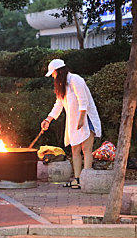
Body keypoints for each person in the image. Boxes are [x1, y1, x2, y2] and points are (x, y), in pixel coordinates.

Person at [41, 59, 102, 189]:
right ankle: (77, 179)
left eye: (53, 73)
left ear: (59, 71)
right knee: (75, 149)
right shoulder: (62, 85)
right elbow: (58, 105)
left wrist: (81, 119)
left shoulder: (75, 79)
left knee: (86, 149)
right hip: (74, 121)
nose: (52, 76)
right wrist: (48, 119)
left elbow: (83, 100)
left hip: (86, 119)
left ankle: (86, 180)